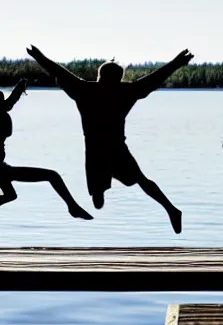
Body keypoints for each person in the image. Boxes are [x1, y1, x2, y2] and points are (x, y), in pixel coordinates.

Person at [26, 45, 194, 233]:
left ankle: (108, 186)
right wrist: (177, 63)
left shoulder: (86, 90)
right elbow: (153, 80)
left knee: (100, 199)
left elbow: (58, 71)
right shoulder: (125, 92)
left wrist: (39, 56)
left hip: (96, 150)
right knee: (139, 180)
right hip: (116, 149)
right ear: (119, 78)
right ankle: (170, 209)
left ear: (99, 76)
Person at [0, 79, 92, 219]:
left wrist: (19, 89)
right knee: (51, 176)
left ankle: (73, 207)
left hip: (3, 169)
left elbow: (9, 103)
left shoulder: (3, 114)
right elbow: (8, 104)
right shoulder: (1, 115)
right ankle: (73, 207)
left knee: (11, 195)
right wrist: (18, 90)